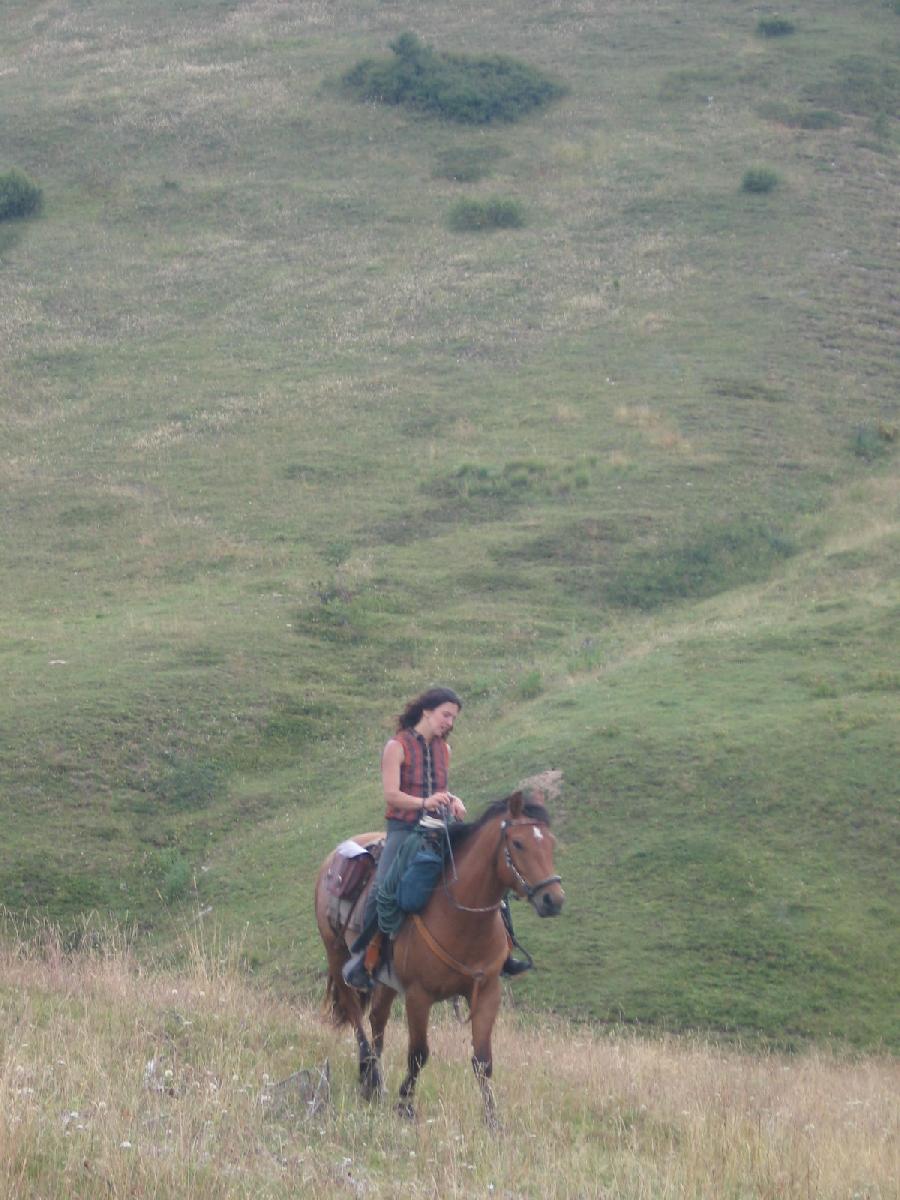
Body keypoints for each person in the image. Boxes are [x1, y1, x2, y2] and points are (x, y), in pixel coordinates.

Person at [341, 686, 530, 990]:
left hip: (438, 827)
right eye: (446, 715)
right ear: (426, 711)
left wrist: (451, 800)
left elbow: (440, 788)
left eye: (453, 718)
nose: (449, 722)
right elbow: (391, 795)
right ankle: (365, 957)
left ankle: (505, 952)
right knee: (383, 887)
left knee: (488, 871)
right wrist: (425, 803)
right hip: (404, 829)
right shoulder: (397, 746)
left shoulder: (445, 750)